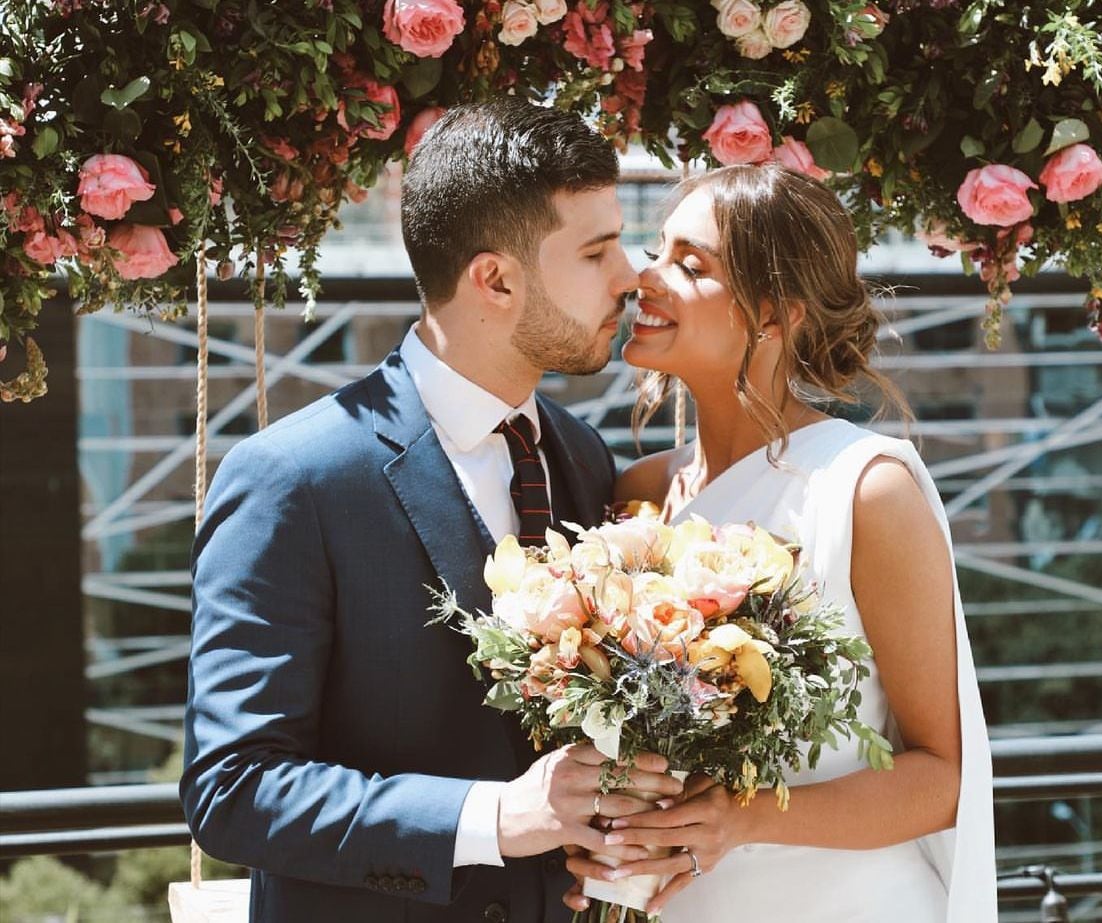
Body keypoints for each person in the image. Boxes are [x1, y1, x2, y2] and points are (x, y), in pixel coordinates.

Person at [180, 97, 683, 923]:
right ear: (495, 280)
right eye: (597, 251)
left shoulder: (582, 455)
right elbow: (233, 788)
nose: (630, 275)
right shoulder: (292, 479)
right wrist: (493, 817)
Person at [563, 163, 997, 921]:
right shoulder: (637, 493)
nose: (643, 278)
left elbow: (943, 778)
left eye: (689, 264)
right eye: (657, 252)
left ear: (774, 314)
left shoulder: (865, 490)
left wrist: (743, 818)